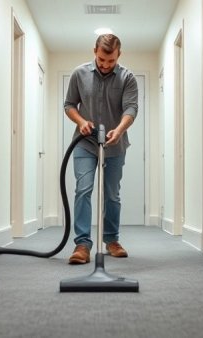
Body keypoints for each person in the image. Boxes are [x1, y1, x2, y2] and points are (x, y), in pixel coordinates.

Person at [63, 34, 139, 264]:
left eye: (111, 61)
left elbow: (131, 109)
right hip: (85, 143)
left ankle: (111, 240)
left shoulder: (127, 78)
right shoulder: (79, 74)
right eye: (101, 59)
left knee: (112, 195)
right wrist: (81, 121)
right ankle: (82, 245)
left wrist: (120, 130)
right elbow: (69, 105)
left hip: (114, 144)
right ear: (94, 51)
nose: (106, 65)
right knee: (83, 190)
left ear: (119, 55)